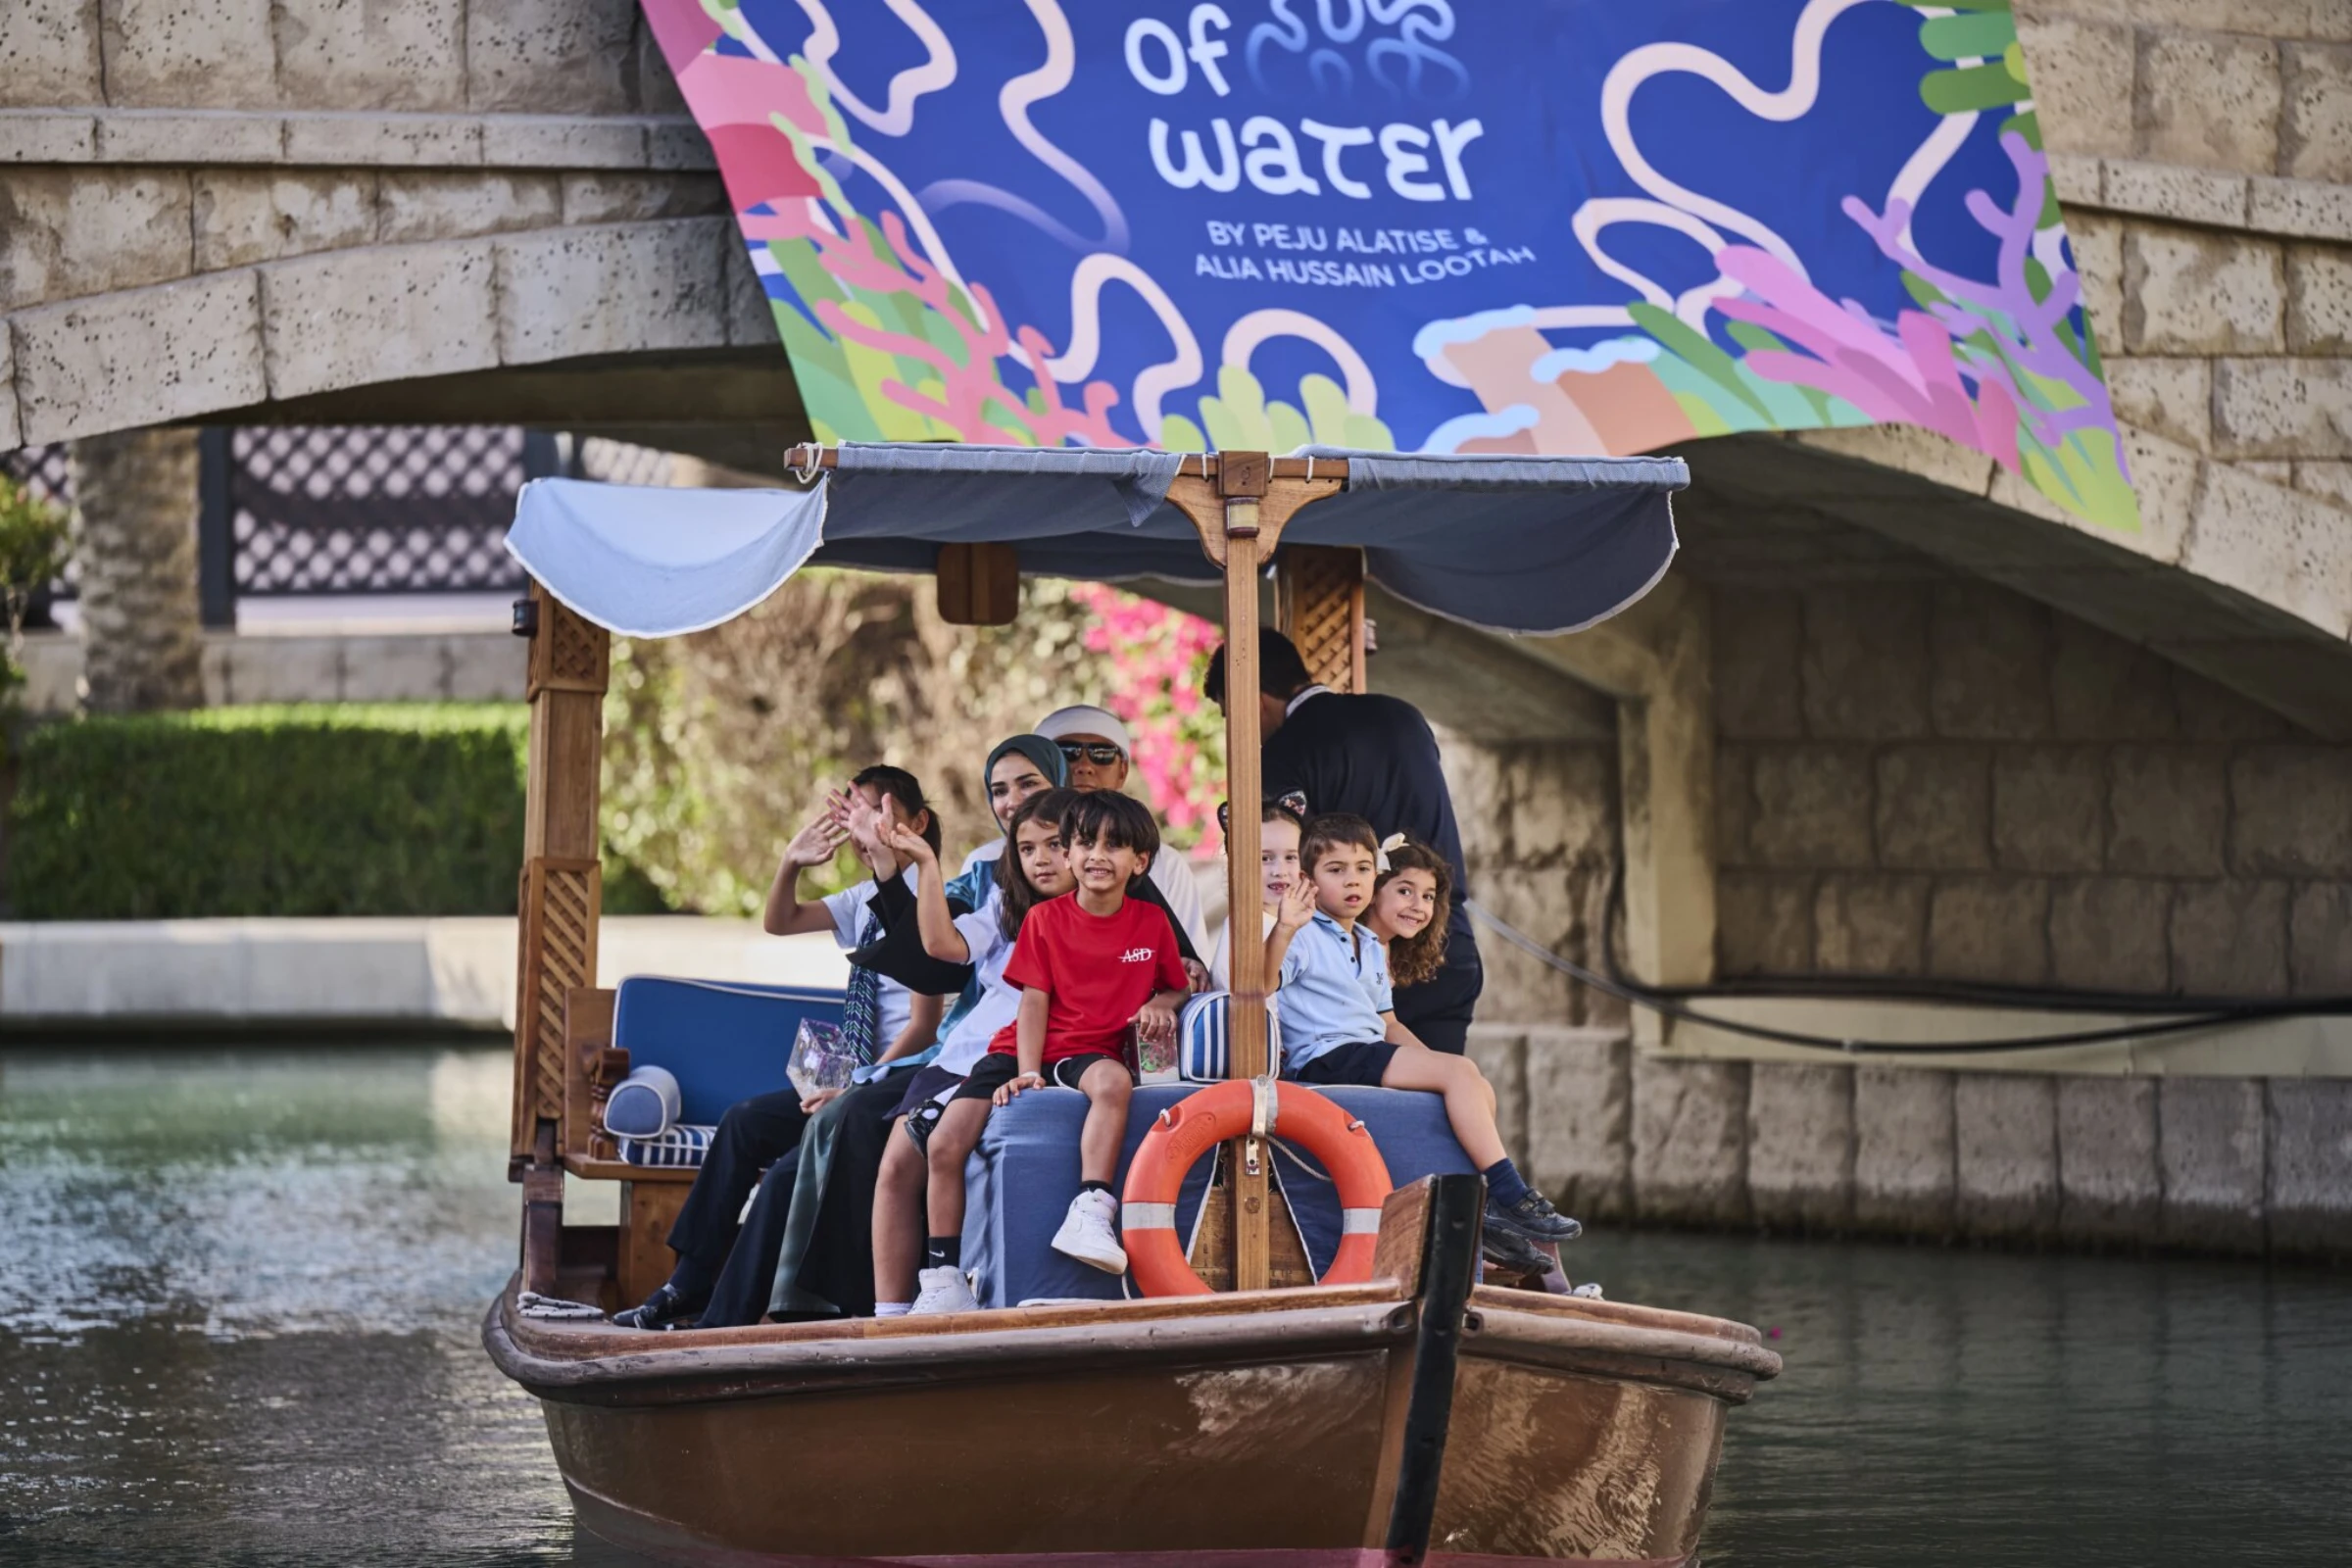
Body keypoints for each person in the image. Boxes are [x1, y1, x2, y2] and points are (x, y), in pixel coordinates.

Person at [613, 766, 949, 1330]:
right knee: (742, 1121)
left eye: (874, 814)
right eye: (852, 815)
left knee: (786, 1176)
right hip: (853, 1084)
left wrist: (856, 1084)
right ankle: (684, 1286)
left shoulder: (932, 901)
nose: (860, 828)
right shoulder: (862, 899)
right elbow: (781, 920)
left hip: (892, 1088)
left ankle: (721, 1323)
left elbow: (924, 1026)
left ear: (915, 823)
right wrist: (790, 862)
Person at [1267, 811, 1578, 1273]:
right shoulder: (1305, 935)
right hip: (1326, 1058)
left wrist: (1441, 1068)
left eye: (1362, 870)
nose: (1352, 881)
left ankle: (1483, 1207)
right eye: (1336, 871)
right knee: (1457, 1075)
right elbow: (1260, 983)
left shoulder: (1369, 945)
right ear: (1310, 881)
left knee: (1472, 1084)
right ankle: (1510, 1195)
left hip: (1362, 1050)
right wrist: (1285, 928)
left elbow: (1386, 1021)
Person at [928, 791, 1191, 1279]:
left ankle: (1090, 1209)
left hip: (1088, 1053)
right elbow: (1033, 1002)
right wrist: (1027, 1071)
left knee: (1114, 1083)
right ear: (1069, 853)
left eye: (1114, 847)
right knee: (944, 1143)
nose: (1097, 856)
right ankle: (942, 1278)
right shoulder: (1044, 918)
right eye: (1086, 843)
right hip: (1021, 1049)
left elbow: (1176, 986)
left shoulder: (1152, 923)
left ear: (1140, 862)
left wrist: (1161, 1002)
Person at [1203, 630, 1484, 1054]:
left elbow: (1286, 866)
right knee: (1439, 1102)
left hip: (1365, 961)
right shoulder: (1404, 716)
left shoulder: (1284, 753)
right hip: (1448, 941)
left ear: (1253, 701)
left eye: (1231, 714)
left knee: (1366, 1115)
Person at [871, 788, 1081, 1316]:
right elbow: (942, 945)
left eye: (1056, 844)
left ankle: (954, 1284)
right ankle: (892, 1314)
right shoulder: (1006, 907)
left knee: (943, 1148)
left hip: (1018, 1054)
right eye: (1028, 848)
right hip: (962, 1054)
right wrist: (924, 862)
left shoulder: (1106, 914)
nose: (1042, 859)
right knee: (896, 1166)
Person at [1033, 705, 1209, 956]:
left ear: (1123, 771)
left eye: (1101, 754)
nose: (1084, 765)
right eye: (1067, 753)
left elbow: (1190, 966)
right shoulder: (995, 859)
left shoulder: (1164, 863)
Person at [1366, 833, 1451, 991]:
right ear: (1372, 891)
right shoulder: (1351, 947)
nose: (1418, 906)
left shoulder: (1385, 948)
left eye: (1428, 896)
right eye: (1405, 891)